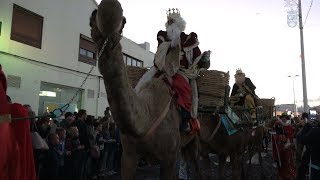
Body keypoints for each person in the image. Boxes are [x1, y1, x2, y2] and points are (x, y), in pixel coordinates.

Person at [147, 8, 209, 133]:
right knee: (149, 85)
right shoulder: (163, 38)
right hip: (164, 69)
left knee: (181, 86)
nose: (170, 25)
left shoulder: (189, 39)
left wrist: (204, 60)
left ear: (179, 24)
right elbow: (158, 56)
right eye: (168, 22)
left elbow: (198, 59)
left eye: (172, 22)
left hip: (181, 72)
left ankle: (185, 119)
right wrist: (169, 46)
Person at [271, 113, 296, 179]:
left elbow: (291, 137)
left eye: (285, 117)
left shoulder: (289, 126)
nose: (284, 119)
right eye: (283, 117)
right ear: (281, 118)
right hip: (280, 146)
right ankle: (281, 175)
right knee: (280, 161)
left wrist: (289, 142)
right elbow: (274, 134)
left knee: (287, 161)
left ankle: (287, 175)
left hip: (287, 147)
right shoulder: (277, 124)